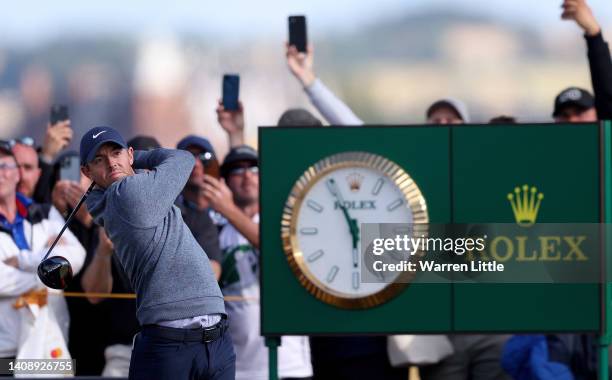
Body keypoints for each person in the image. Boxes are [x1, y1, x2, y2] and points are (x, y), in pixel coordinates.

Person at [79, 126, 234, 380]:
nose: (110, 163)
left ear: (128, 154)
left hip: (212, 338)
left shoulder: (114, 196)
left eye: (115, 153)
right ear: (87, 172)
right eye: (99, 159)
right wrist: (134, 157)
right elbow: (183, 159)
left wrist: (127, 159)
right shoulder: (124, 193)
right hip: (170, 343)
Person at [202, 144, 312, 380]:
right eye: (237, 171)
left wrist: (228, 209)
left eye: (254, 168)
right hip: (236, 366)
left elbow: (276, 250)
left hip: (290, 365)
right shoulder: (215, 230)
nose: (247, 176)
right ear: (225, 182)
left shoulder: (286, 219)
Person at [0, 143, 85, 361]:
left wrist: (22, 260)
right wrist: (48, 266)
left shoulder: (44, 212)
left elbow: (76, 256)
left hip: (51, 345)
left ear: (17, 173)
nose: (0, 173)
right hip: (6, 351)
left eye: (4, 165)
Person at [554, 0, 612, 122]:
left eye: (580, 112)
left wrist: (594, 34)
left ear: (597, 113)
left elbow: (607, 98)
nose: (572, 120)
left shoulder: (602, 137)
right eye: (565, 115)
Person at [176, 135, 223, 278]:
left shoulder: (232, 207)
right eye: (188, 157)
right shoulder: (172, 214)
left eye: (204, 157)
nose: (196, 164)